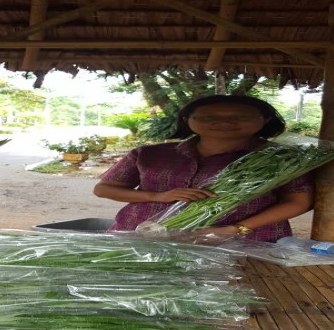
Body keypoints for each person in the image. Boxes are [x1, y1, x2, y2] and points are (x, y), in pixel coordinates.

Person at [93, 95, 314, 241]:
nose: (224, 122)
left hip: (246, 242)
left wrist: (236, 229)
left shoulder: (284, 158)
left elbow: (299, 201)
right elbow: (104, 189)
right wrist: (158, 196)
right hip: (141, 235)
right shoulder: (149, 153)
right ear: (187, 120)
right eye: (208, 117)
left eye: (241, 117)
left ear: (265, 120)